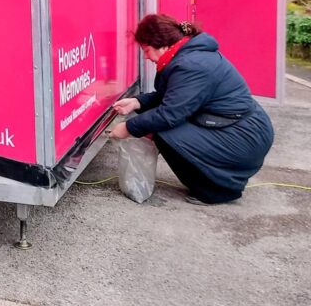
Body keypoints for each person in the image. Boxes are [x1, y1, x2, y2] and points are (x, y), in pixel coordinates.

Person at [109, 13, 274, 205]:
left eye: (146, 50)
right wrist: (138, 102)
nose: (146, 57)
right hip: (238, 129)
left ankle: (218, 190)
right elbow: (176, 96)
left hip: (243, 138)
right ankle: (219, 181)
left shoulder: (191, 65)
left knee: (162, 131)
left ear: (162, 44)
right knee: (154, 124)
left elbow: (170, 113)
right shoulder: (187, 56)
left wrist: (128, 128)